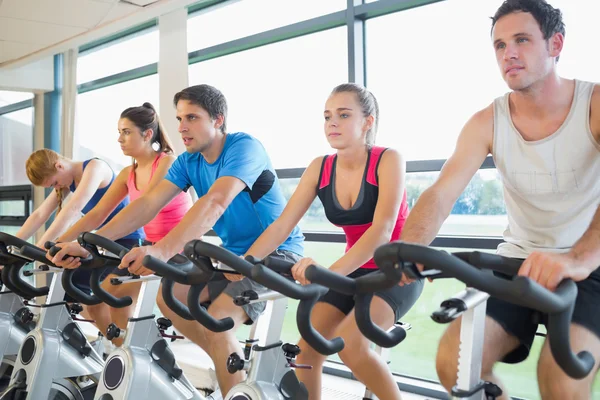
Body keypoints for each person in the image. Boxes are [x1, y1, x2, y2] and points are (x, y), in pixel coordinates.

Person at [397, 1, 600, 399]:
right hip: (518, 264)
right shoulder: (486, 122)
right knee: (455, 363)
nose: (509, 53)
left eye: (522, 40)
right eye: (500, 45)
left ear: (555, 44)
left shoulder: (593, 105)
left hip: (589, 266)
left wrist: (577, 259)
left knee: (560, 381)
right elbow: (442, 191)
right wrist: (412, 244)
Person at [50, 84, 304, 394]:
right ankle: (232, 367)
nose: (182, 127)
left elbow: (215, 202)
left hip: (275, 254)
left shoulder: (244, 147)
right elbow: (146, 205)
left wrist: (160, 251)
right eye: (179, 118)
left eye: (192, 118)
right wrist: (90, 242)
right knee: (173, 297)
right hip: (231, 255)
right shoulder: (188, 161)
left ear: (218, 120)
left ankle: (233, 376)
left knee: (217, 320)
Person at [246, 83, 423, 400]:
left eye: (344, 115)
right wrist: (246, 263)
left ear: (367, 122)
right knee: (305, 354)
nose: (333, 123)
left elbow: (382, 230)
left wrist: (328, 274)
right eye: (327, 117)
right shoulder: (321, 167)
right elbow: (284, 223)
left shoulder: (388, 160)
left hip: (397, 271)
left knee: (351, 345)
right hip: (354, 271)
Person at [50, 103, 192, 346]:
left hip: (176, 249)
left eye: (126, 132)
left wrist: (82, 244)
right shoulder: (128, 173)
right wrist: (60, 243)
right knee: (95, 305)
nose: (119, 139)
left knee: (119, 299)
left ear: (148, 134)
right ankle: (129, 356)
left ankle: (146, 355)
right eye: (119, 132)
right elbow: (97, 214)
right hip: (147, 249)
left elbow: (148, 207)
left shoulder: (168, 163)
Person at [14, 147, 145, 338]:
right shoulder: (67, 180)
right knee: (70, 290)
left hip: (127, 241)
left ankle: (117, 344)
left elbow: (73, 210)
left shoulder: (95, 167)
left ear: (59, 165)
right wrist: (16, 245)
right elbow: (39, 214)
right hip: (102, 242)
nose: (57, 188)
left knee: (86, 296)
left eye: (55, 183)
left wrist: (41, 247)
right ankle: (104, 343)